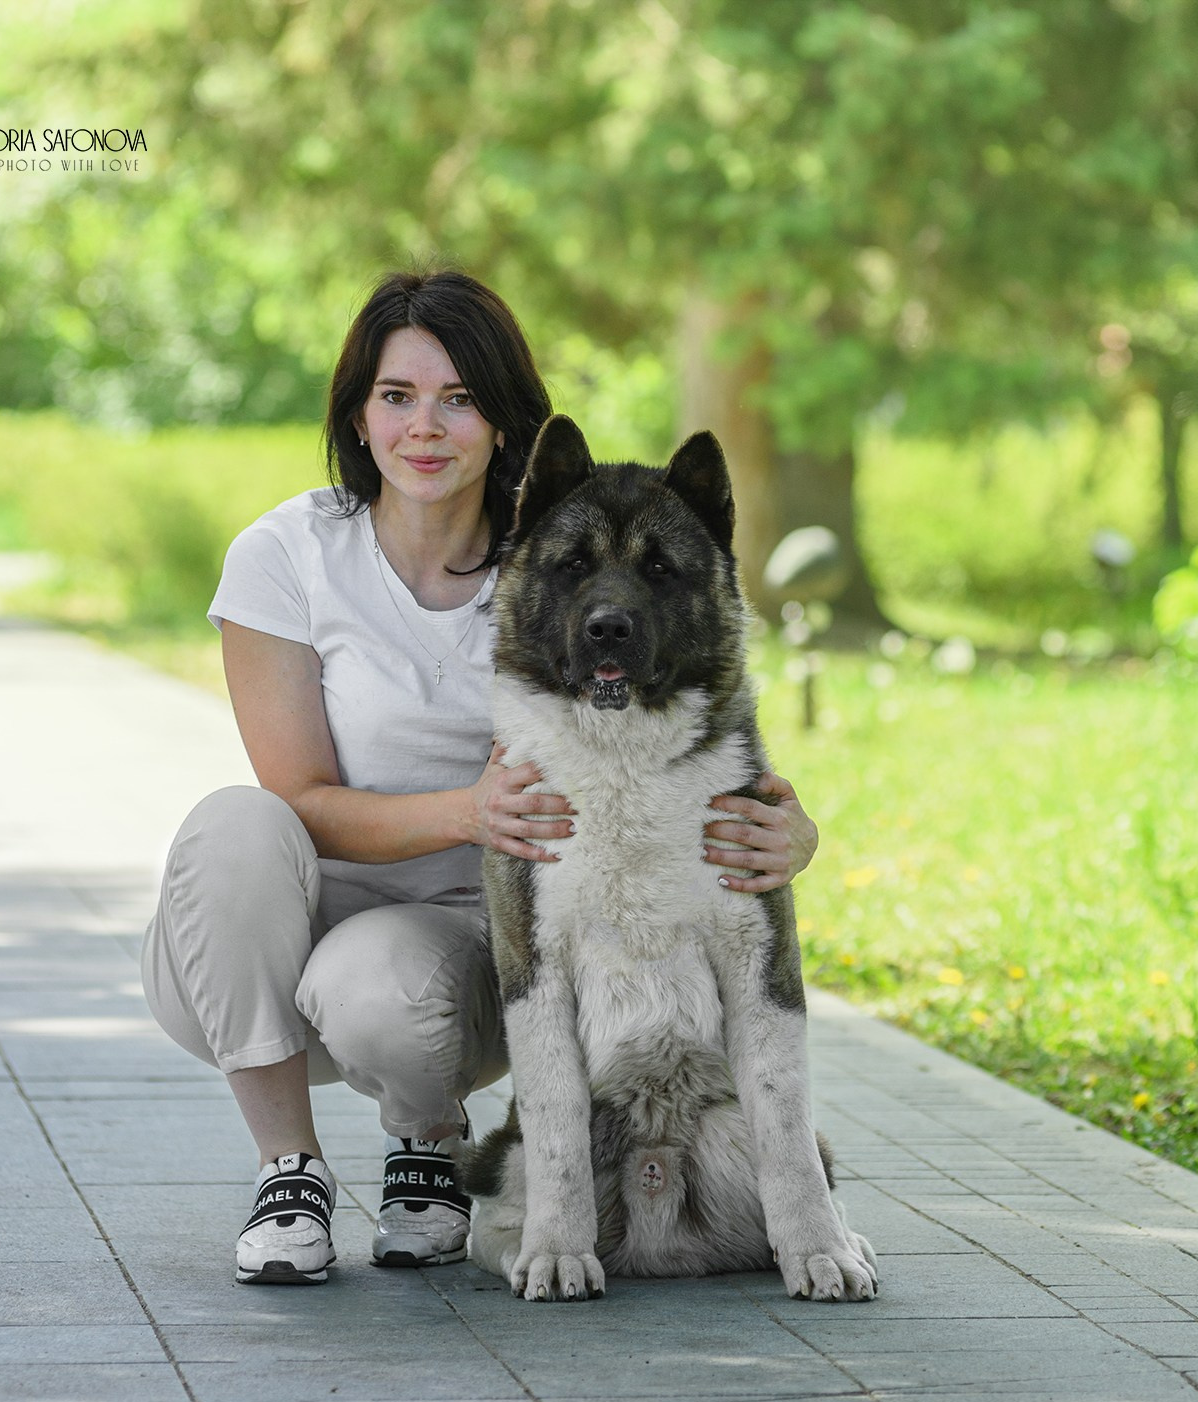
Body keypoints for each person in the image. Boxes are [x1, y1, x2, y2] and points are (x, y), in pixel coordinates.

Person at [140, 267, 820, 1286]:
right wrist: (466, 808)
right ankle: (289, 1168)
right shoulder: (286, 554)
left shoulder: (557, 559)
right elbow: (300, 798)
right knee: (233, 822)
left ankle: (425, 1148)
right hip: (278, 928)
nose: (427, 425)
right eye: (397, 396)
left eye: (460, 398)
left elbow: (678, 724)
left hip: (455, 948)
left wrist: (790, 834)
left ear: (504, 422)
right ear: (357, 415)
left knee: (387, 987)